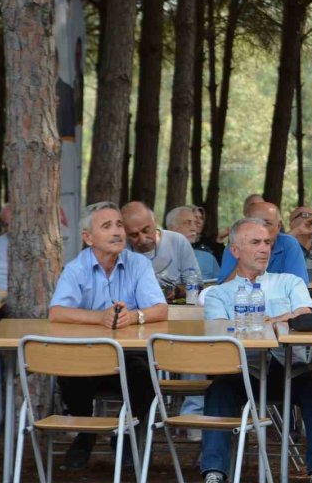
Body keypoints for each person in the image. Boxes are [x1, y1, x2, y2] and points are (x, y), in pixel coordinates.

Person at [199, 217, 312, 483]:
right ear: (235, 250)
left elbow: (305, 315)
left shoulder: (289, 282)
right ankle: (214, 472)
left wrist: (266, 320)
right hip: (244, 370)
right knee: (218, 390)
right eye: (255, 243)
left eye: (267, 243)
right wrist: (275, 322)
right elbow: (219, 332)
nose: (264, 249)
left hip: (289, 367)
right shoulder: (219, 293)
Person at [49, 201, 167, 469]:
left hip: (127, 357)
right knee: (69, 375)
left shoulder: (138, 264)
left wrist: (134, 316)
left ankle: (128, 435)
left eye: (119, 225)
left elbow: (160, 309)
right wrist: (99, 318)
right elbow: (57, 312)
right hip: (87, 357)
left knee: (144, 374)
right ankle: (85, 433)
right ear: (88, 238)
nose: (117, 232)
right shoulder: (76, 268)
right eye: (106, 226)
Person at [217, 201, 308, 284]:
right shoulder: (235, 246)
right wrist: (244, 259)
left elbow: (299, 287)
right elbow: (223, 289)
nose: (260, 229)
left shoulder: (289, 244)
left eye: (267, 224)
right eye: (253, 223)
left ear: (278, 226)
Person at [121, 201, 201, 291]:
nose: (143, 239)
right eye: (134, 235)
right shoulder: (121, 250)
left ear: (155, 221)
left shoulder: (177, 242)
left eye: (146, 230)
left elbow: (196, 283)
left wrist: (175, 292)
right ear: (125, 234)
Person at [166, 205, 219, 279]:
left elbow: (221, 287)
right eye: (188, 223)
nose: (194, 228)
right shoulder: (154, 258)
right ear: (172, 228)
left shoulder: (208, 259)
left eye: (195, 223)